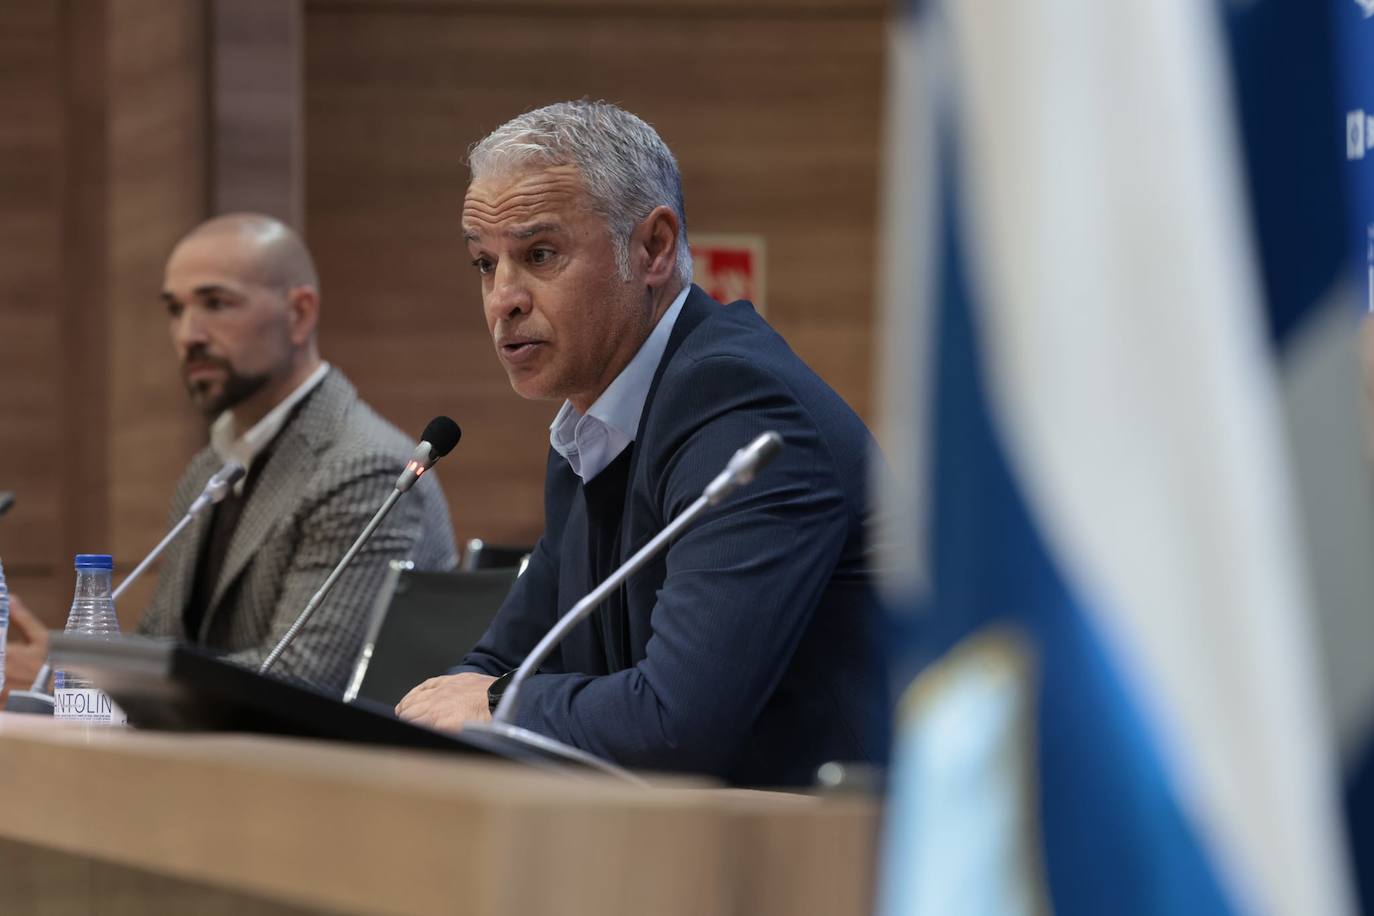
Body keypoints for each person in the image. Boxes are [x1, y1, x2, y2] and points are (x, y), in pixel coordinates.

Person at [396, 101, 888, 786]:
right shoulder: (594, 419)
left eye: (539, 255)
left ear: (652, 248)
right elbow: (504, 658)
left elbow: (676, 723)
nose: (502, 299)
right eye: (485, 264)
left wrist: (493, 704)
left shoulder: (739, 408)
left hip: (815, 862)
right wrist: (450, 707)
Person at [3, 214, 457, 695]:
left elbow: (302, 679)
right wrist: (73, 666)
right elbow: (163, 643)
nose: (188, 335)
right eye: (175, 310)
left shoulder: (366, 467)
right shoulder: (211, 467)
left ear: (299, 314)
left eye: (216, 304)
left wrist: (75, 681)